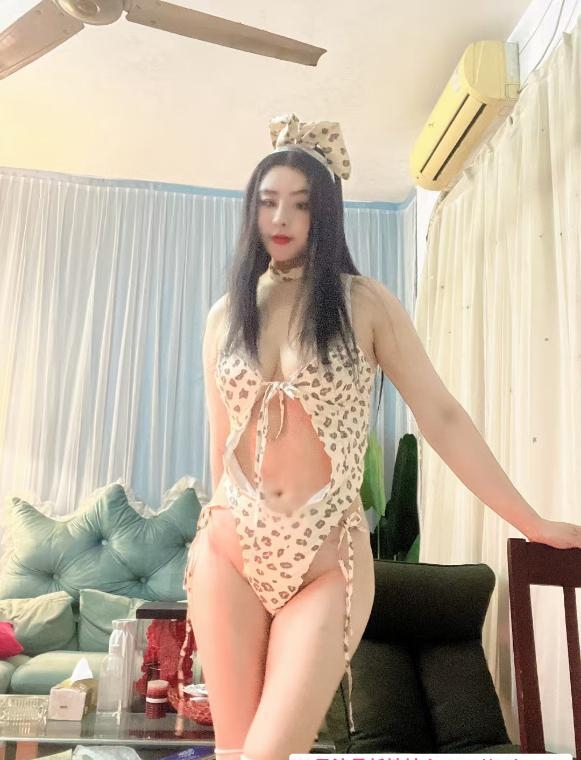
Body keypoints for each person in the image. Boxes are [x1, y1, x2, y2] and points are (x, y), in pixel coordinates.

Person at [183, 113, 581, 760]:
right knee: (233, 751)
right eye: (267, 201)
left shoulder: (362, 303)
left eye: (301, 203)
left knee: (266, 753)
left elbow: (441, 416)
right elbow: (220, 443)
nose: (280, 218)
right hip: (230, 548)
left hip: (324, 559)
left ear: (326, 212)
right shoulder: (225, 315)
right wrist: (210, 535)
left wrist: (530, 521)